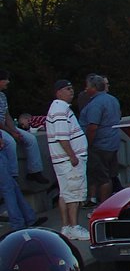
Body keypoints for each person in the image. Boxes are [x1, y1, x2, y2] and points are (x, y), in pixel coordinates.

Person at [45, 80, 89, 240]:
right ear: (58, 92)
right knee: (75, 195)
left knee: (65, 193)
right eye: (68, 89)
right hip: (69, 161)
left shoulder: (58, 108)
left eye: (72, 88)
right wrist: (73, 156)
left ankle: (66, 228)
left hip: (63, 161)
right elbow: (62, 137)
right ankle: (74, 226)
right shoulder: (60, 109)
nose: (72, 91)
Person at [0, 69, 48, 185]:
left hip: (5, 126)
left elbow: (7, 116)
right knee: (10, 142)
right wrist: (11, 133)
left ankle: (34, 171)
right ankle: (13, 175)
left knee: (31, 139)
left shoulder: (2, 96)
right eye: (5, 79)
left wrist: (14, 130)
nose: (8, 81)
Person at [80, 74, 122, 205]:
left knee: (103, 178)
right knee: (109, 175)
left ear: (94, 88)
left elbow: (92, 127)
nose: (86, 89)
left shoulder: (96, 104)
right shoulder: (113, 99)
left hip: (100, 145)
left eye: (87, 86)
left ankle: (103, 207)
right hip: (113, 142)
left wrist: (88, 144)